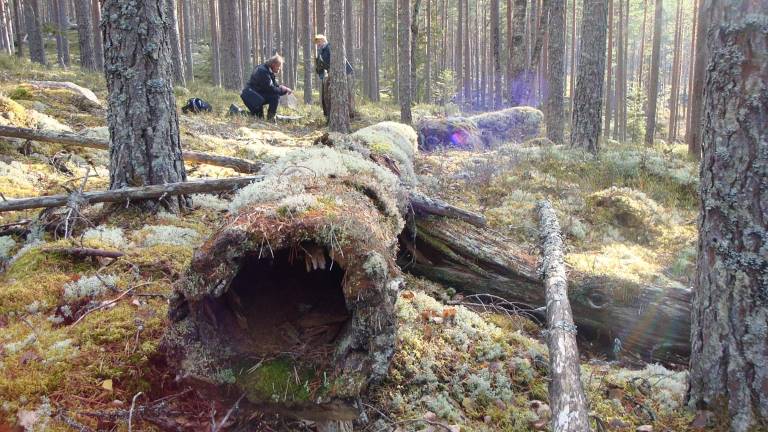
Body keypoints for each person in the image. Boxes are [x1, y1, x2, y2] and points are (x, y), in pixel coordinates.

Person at [313, 35, 354, 118]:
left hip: (344, 73)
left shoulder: (330, 47)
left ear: (323, 40)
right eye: (317, 43)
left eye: (319, 42)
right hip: (331, 73)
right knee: (327, 95)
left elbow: (336, 61)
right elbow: (321, 65)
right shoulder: (321, 51)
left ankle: (349, 115)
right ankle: (329, 116)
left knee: (346, 94)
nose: (318, 44)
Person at [241, 54, 293, 120]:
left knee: (258, 117)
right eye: (279, 66)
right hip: (251, 97)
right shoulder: (263, 71)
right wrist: (283, 91)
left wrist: (283, 88)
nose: (279, 69)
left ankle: (270, 118)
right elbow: (271, 89)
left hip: (255, 96)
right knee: (274, 97)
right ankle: (271, 119)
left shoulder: (266, 69)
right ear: (273, 64)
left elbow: (274, 85)